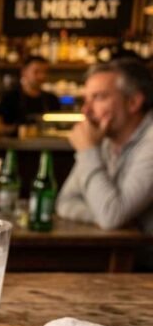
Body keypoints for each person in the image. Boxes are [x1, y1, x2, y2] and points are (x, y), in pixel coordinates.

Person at [57, 59, 153, 239]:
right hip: (120, 256)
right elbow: (65, 202)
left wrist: (87, 150)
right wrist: (101, 216)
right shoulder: (105, 139)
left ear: (133, 102)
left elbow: (111, 216)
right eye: (86, 99)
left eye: (99, 97)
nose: (86, 110)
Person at [0, 56, 61, 137]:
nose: (41, 76)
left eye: (44, 72)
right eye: (36, 72)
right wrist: (17, 129)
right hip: (15, 147)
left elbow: (59, 127)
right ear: (24, 72)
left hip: (47, 146)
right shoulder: (9, 98)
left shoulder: (52, 99)